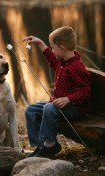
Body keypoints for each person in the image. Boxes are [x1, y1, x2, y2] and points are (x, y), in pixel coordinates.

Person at [22, 26, 91, 158]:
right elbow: (51, 58)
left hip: (74, 108)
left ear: (62, 48)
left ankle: (50, 145)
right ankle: (41, 145)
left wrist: (68, 99)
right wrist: (39, 43)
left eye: (53, 47)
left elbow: (85, 91)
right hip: (58, 106)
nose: (51, 50)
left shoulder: (76, 67)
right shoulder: (62, 62)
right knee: (31, 110)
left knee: (49, 108)